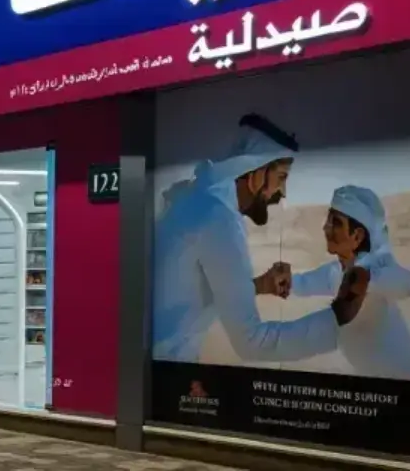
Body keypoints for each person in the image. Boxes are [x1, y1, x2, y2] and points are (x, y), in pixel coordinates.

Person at [153, 113, 370, 364]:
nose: (283, 193)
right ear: (255, 174)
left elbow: (188, 291)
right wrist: (337, 319)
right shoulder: (217, 218)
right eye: (281, 178)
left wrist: (258, 286)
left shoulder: (194, 198)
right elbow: (252, 343)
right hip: (166, 369)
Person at [285, 185, 410, 379]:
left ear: (357, 236)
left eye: (335, 222)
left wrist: (367, 280)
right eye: (328, 220)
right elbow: (303, 283)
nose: (325, 227)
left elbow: (407, 284)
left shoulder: (376, 266)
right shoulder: (335, 271)